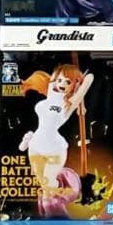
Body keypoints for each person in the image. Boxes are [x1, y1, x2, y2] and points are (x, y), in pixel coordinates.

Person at [17, 64, 94, 217]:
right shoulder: (50, 93)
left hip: (54, 148)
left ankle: (57, 214)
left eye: (68, 82)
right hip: (35, 146)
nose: (62, 84)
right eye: (60, 80)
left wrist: (79, 83)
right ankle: (52, 214)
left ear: (74, 85)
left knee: (48, 184)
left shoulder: (69, 102)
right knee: (45, 186)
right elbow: (53, 79)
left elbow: (89, 78)